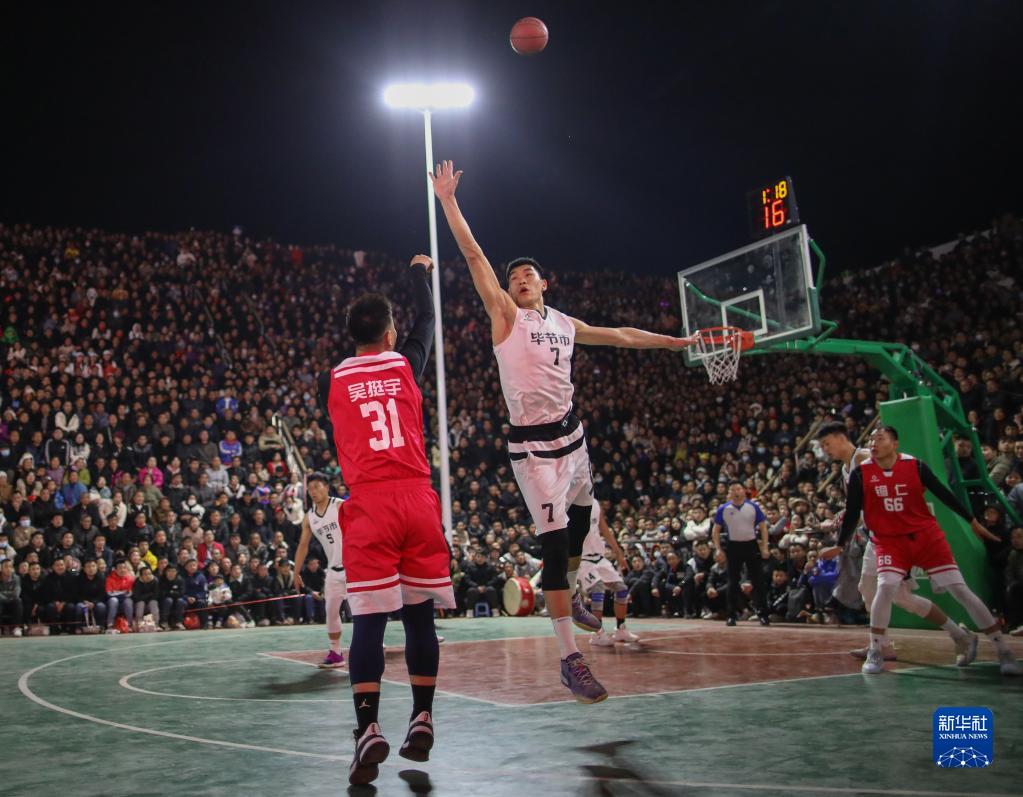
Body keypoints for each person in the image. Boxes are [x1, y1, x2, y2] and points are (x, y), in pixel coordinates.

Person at [432, 160, 694, 703]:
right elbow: (474, 256)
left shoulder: (564, 323)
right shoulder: (505, 316)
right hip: (534, 450)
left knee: (579, 528)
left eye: (528, 275)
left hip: (574, 440)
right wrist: (449, 201)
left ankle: (571, 592)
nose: (520, 280)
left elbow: (619, 335)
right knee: (554, 548)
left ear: (544, 283)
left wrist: (669, 343)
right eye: (514, 278)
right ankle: (570, 660)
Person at [319, 254, 456, 785]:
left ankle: (368, 728)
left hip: (370, 502)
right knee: (420, 619)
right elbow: (429, 319)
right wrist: (419, 271)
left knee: (370, 622)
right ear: (390, 332)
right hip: (417, 499)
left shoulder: (332, 379)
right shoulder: (404, 364)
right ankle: (422, 715)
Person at [821, 425, 1021, 676]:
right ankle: (880, 647)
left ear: (895, 444)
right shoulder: (857, 471)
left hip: (922, 536)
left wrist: (972, 521)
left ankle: (999, 648)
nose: (873, 444)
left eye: (879, 439)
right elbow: (855, 509)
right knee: (880, 588)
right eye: (871, 439)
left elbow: (943, 493)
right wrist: (840, 541)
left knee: (954, 590)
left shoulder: (906, 465)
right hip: (886, 538)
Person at [816, 421, 973, 660]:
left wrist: (845, 525)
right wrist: (842, 517)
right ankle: (882, 645)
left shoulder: (866, 458)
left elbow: (888, 498)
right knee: (869, 591)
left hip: (894, 537)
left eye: (827, 444)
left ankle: (958, 634)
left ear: (840, 437)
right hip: (876, 537)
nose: (825, 450)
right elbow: (863, 508)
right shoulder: (848, 469)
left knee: (900, 597)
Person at [293, 472, 347, 669]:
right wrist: (295, 572)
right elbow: (303, 546)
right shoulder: (309, 517)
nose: (313, 491)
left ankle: (374, 643)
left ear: (327, 487)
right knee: (330, 611)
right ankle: (336, 653)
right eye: (310, 489)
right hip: (333, 570)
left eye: (317, 487)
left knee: (363, 611)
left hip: (355, 567)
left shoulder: (340, 506)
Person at [578, 501, 640, 645]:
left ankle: (620, 629)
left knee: (621, 589)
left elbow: (605, 530)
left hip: (599, 557)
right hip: (582, 558)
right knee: (598, 588)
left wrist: (618, 553)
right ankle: (597, 633)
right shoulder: (569, 503)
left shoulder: (594, 503)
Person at [711, 482, 770, 626]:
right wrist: (718, 548)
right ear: (729, 492)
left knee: (757, 580)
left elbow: (763, 527)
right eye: (733, 490)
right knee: (732, 581)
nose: (736, 492)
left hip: (751, 545)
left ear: (743, 491)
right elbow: (715, 530)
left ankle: (763, 614)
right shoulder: (724, 509)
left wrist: (764, 547)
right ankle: (731, 615)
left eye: (738, 489)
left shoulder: (753, 507)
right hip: (733, 546)